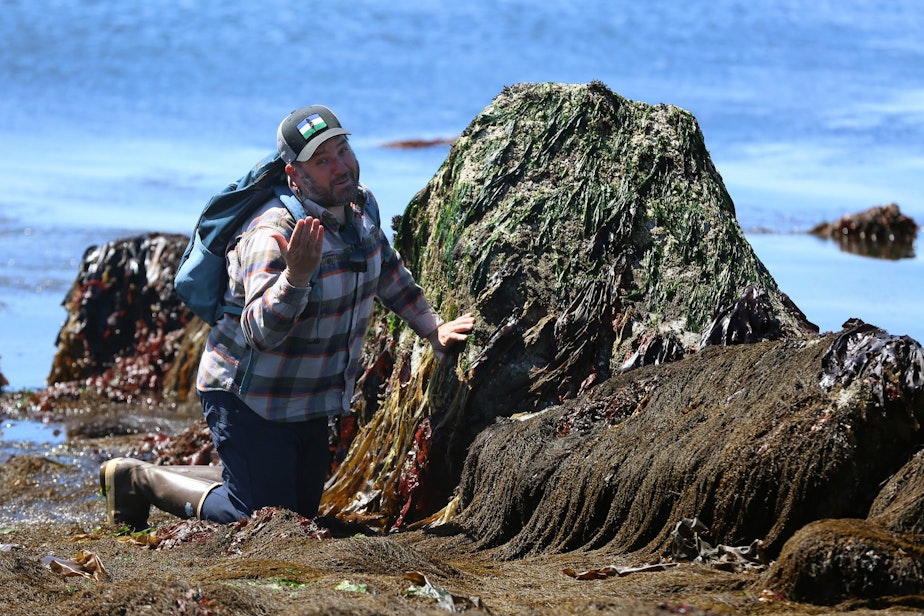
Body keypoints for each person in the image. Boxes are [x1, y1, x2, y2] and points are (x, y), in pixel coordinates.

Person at [100, 105, 475, 530]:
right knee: (262, 519)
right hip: (249, 397)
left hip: (310, 399)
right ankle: (137, 479)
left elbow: (387, 271)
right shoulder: (270, 234)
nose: (341, 167)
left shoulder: (361, 203)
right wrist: (296, 277)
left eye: (342, 149)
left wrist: (432, 328)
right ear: (295, 175)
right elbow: (258, 331)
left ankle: (234, 480)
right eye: (322, 160)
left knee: (298, 515)